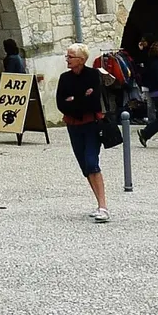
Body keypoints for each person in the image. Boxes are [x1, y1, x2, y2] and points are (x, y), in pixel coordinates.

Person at [56, 44, 109, 223]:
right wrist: (81, 98)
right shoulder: (64, 78)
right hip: (73, 126)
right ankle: (98, 204)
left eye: (71, 57)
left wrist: (74, 100)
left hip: (91, 124)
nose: (67, 59)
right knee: (85, 166)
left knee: (92, 162)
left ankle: (103, 206)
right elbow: (61, 103)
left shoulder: (93, 75)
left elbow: (93, 102)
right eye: (67, 56)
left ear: (81, 59)